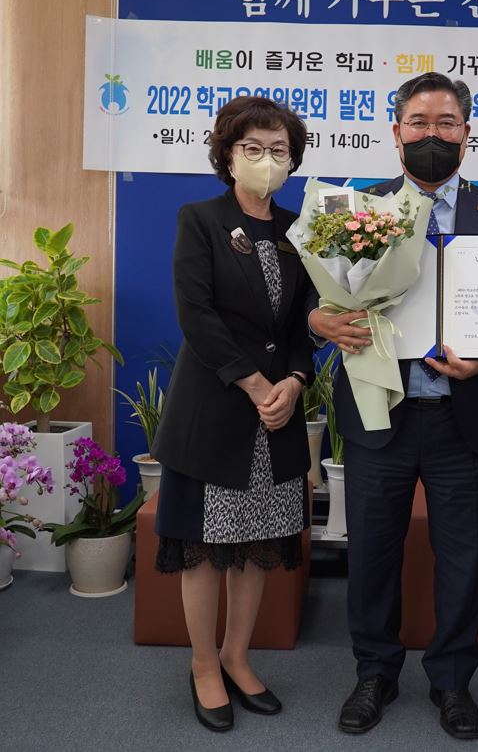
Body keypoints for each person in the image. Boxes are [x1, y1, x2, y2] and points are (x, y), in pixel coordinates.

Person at [309, 72, 478, 741]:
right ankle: (374, 672)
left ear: (467, 133)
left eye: (445, 123)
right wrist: (320, 321)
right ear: (396, 132)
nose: (433, 134)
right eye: (419, 122)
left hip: (465, 414)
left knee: (462, 556)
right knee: (372, 552)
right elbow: (315, 300)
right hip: (381, 411)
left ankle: (452, 679)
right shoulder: (355, 208)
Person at [152, 96, 315, 733]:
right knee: (204, 549)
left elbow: (304, 324)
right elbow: (196, 314)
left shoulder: (302, 231)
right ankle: (202, 664)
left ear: (293, 160)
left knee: (256, 547)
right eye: (253, 148)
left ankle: (236, 656)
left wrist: (294, 381)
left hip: (276, 415)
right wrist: (255, 383)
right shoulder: (200, 219)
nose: (266, 160)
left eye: (279, 150)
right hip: (217, 409)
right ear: (227, 154)